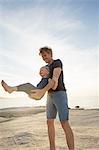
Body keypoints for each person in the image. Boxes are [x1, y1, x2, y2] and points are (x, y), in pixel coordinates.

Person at [30, 47, 75, 150]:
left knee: (64, 122)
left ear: (50, 54)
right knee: (49, 121)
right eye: (42, 56)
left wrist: (42, 91)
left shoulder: (57, 63)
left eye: (45, 55)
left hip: (60, 94)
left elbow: (54, 80)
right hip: (49, 96)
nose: (43, 58)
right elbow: (44, 81)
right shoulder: (45, 67)